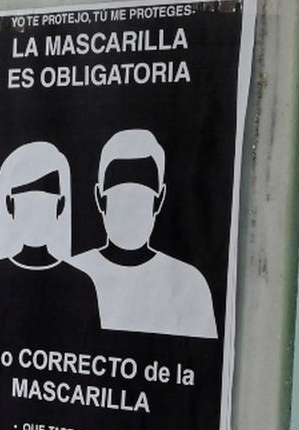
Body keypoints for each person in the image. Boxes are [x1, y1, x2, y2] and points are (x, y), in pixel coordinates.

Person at [69, 129, 218, 338]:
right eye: (120, 198)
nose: (130, 211)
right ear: (100, 199)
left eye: (140, 198)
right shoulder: (71, 275)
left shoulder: (189, 284)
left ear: (159, 200)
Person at [0, 140, 101, 343]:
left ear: (61, 206)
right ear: (9, 204)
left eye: (45, 203)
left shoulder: (81, 286)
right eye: (27, 202)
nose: (36, 215)